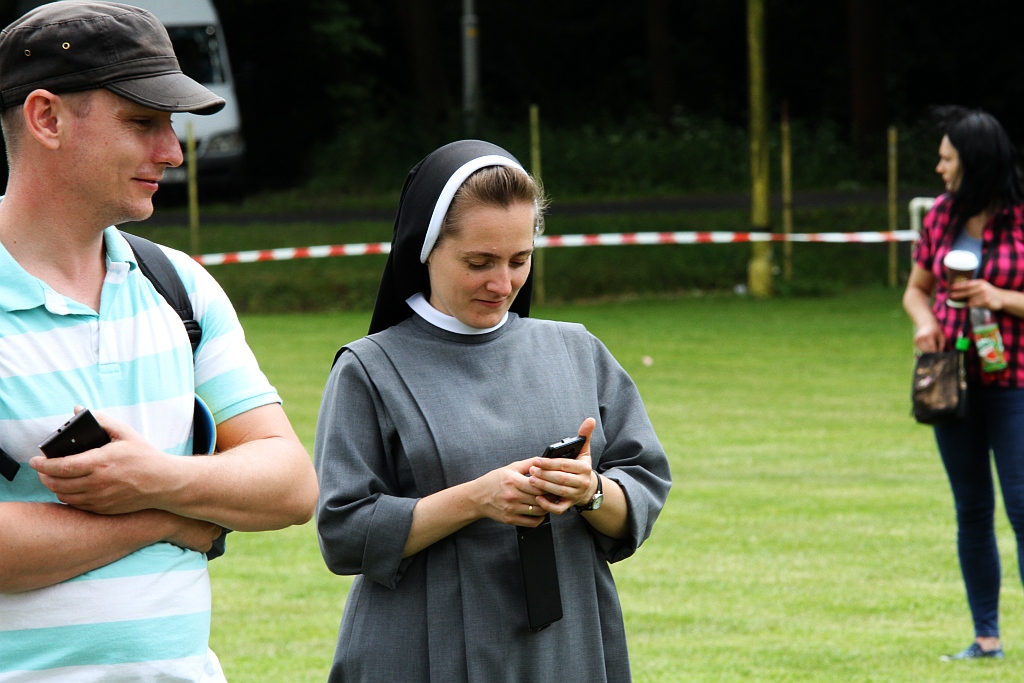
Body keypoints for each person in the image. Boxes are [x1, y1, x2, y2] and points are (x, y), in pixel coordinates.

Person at [0, 2, 318, 680]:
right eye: (143, 122)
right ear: (46, 118)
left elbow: (291, 484)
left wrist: (156, 479)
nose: (173, 151)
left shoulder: (179, 287)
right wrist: (168, 518)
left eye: (169, 125)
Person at [314, 139, 672, 682]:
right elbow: (343, 534)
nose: (502, 284)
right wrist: (476, 499)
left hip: (565, 649)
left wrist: (590, 491)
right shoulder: (369, 370)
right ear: (425, 248)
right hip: (423, 651)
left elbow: (641, 493)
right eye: (478, 263)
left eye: (519, 260)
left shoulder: (578, 351)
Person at [903, 106, 1024, 661]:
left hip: (1015, 384)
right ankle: (986, 637)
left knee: (1021, 508)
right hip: (953, 385)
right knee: (972, 510)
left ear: (974, 162)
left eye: (947, 158)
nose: (940, 168)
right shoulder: (940, 217)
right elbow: (916, 290)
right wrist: (923, 322)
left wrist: (1000, 298)